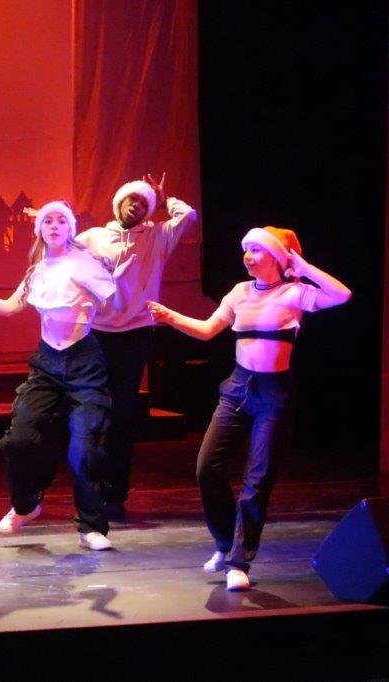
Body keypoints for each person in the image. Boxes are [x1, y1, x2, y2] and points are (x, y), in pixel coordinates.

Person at [148, 225, 351, 590]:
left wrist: (301, 266)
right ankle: (225, 545)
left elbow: (341, 295)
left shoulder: (295, 292)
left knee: (256, 483)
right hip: (238, 389)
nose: (248, 256)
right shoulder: (239, 292)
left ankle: (240, 562)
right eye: (246, 250)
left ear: (278, 257)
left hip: (273, 394)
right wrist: (169, 316)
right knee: (207, 468)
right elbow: (209, 330)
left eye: (257, 250)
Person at [0, 201, 133, 552]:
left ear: (70, 229)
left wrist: (106, 280)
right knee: (18, 441)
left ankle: (91, 526)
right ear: (39, 230)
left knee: (84, 448)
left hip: (84, 363)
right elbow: (10, 308)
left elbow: (115, 304)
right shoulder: (37, 271)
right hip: (47, 363)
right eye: (47, 221)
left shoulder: (85, 264)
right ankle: (26, 505)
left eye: (61, 221)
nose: (54, 226)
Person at [75, 174, 198, 522]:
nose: (136, 206)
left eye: (144, 203)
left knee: (124, 414)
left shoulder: (158, 236)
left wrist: (164, 196)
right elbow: (61, 253)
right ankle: (91, 489)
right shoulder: (94, 237)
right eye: (131, 199)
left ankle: (114, 493)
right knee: (94, 412)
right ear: (117, 203)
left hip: (135, 333)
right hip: (97, 332)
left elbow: (188, 216)